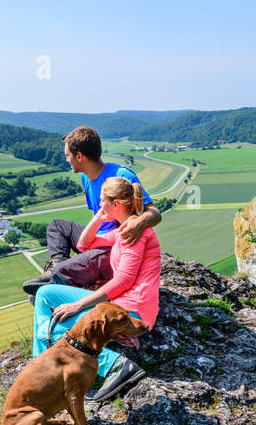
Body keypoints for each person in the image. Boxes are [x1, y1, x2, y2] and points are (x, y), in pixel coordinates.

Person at [31, 176, 161, 402]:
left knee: (52, 329)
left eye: (103, 202)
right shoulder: (122, 229)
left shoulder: (133, 233)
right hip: (121, 303)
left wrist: (79, 304)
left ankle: (116, 366)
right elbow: (83, 244)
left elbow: (124, 281)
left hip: (132, 308)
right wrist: (100, 217)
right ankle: (40, 365)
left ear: (117, 204)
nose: (99, 205)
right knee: (43, 294)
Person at [22, 126, 161, 302]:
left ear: (79, 156)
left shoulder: (121, 175)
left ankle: (57, 284)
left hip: (113, 247)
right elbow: (98, 216)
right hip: (99, 238)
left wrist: (139, 224)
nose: (67, 159)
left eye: (68, 155)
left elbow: (155, 213)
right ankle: (57, 267)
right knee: (57, 227)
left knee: (63, 274)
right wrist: (88, 240)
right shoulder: (85, 178)